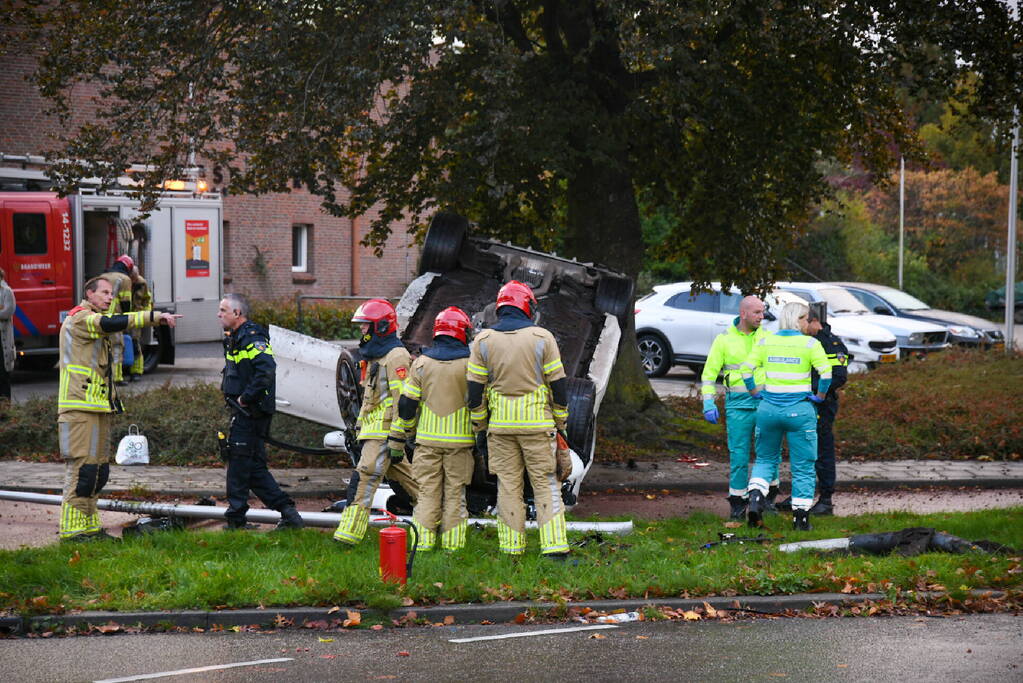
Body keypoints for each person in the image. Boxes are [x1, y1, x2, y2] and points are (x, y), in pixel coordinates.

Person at [57, 276, 180, 541]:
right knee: (82, 470)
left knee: (97, 471)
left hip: (96, 405)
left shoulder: (93, 321)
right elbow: (110, 323)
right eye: (104, 292)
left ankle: (89, 529)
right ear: (89, 294)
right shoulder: (79, 318)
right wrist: (152, 317)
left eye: (111, 293)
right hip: (78, 406)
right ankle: (72, 532)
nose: (109, 297)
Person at [466, 280, 571, 559]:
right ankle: (554, 547)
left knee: (508, 486)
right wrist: (561, 422)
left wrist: (480, 427)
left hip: (500, 429)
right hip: (538, 426)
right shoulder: (542, 338)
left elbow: (474, 391)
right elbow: (558, 385)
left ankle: (512, 548)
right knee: (546, 483)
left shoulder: (482, 341)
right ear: (527, 306)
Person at [388, 307, 475, 551]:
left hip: (426, 444)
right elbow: (480, 402)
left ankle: (422, 545)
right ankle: (453, 548)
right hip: (460, 445)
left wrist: (399, 438)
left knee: (427, 495)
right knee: (455, 497)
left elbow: (406, 406)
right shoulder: (471, 364)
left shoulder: (422, 364)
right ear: (462, 332)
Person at [333, 298, 419, 545]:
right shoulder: (375, 356)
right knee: (411, 481)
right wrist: (359, 428)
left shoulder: (396, 357)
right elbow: (370, 399)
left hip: (385, 432)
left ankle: (348, 535)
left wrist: (397, 437)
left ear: (380, 326)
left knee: (365, 476)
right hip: (374, 432)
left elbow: (403, 402)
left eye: (365, 325)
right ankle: (437, 518)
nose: (362, 330)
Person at [740, 301, 831, 531]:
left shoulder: (765, 340)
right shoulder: (811, 343)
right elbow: (827, 373)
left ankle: (755, 497)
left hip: (768, 410)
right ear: (798, 320)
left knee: (765, 459)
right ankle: (800, 519)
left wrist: (754, 392)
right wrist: (819, 396)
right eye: (806, 319)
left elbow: (745, 370)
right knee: (803, 466)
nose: (808, 322)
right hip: (799, 411)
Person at [218, 293, 304, 531]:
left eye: (223, 310)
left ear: (237, 313)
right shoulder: (235, 337)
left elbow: (266, 370)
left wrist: (246, 398)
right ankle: (289, 514)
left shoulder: (251, 336)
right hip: (244, 411)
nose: (219, 315)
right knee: (252, 467)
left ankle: (236, 520)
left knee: (238, 463)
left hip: (250, 413)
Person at [701, 295, 771, 519]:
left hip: (764, 404)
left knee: (769, 454)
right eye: (757, 312)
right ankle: (738, 503)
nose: (762, 316)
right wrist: (708, 401)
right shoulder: (724, 339)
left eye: (763, 312)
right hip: (738, 406)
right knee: (739, 455)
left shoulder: (768, 338)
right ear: (743, 314)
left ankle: (766, 500)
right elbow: (709, 373)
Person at [100, 255, 138, 385]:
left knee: (102, 349)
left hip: (99, 319)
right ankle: (116, 378)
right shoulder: (125, 279)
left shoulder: (103, 277)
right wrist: (127, 320)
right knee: (117, 347)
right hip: (115, 319)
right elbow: (126, 302)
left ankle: (103, 378)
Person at [127, 278, 154, 381]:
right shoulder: (124, 282)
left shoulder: (141, 284)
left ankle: (136, 372)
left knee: (135, 345)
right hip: (124, 318)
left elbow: (147, 300)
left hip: (136, 318)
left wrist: (145, 315)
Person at [0, 267, 16, 417]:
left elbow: (7, 311)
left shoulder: (6, 291)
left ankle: (5, 412)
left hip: (3, 342)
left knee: (4, 377)